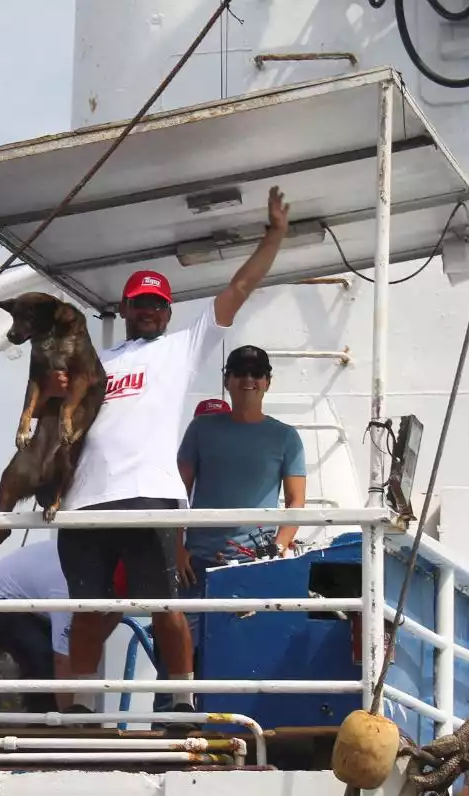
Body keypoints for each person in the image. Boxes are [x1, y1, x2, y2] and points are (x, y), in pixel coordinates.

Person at [50, 185, 291, 727]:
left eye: (159, 304)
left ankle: (180, 706)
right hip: (88, 501)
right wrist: (61, 386)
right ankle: (86, 715)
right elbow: (58, 411)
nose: (151, 311)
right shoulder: (98, 359)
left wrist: (273, 234)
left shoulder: (182, 347)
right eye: (142, 303)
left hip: (151, 496)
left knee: (165, 605)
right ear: (126, 308)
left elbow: (240, 287)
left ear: (168, 310)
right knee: (90, 610)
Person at [152, 345, 308, 711]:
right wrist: (177, 547)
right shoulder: (202, 429)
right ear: (227, 380)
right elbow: (178, 492)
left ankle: (237, 723)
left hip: (253, 564)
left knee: (242, 650)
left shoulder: (286, 437)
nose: (248, 380)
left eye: (256, 373)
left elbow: (296, 502)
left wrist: (277, 549)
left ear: (268, 382)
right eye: (239, 372)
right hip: (197, 562)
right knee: (178, 643)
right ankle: (173, 720)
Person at [0, 540, 76, 714]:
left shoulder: (84, 556)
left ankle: (56, 719)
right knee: (42, 657)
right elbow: (62, 657)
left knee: (56, 652)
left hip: (31, 602)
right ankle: (45, 726)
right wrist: (67, 715)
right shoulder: (65, 588)